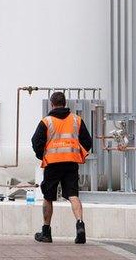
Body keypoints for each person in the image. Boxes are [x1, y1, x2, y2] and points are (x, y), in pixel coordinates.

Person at [31, 91, 93, 244]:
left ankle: (46, 232)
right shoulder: (76, 120)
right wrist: (79, 154)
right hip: (71, 163)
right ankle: (80, 226)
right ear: (65, 103)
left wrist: (42, 155)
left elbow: (36, 141)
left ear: (52, 104)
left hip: (52, 163)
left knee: (48, 197)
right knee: (73, 195)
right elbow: (87, 141)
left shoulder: (47, 121)